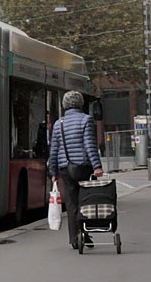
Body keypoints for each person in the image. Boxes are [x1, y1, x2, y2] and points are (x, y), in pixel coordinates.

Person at [48, 91, 104, 250]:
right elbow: (90, 145)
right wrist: (97, 166)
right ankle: (85, 233)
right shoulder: (86, 119)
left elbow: (54, 150)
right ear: (80, 104)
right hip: (83, 167)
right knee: (84, 201)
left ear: (64, 105)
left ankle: (74, 238)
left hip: (65, 168)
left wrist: (53, 172)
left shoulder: (59, 123)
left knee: (71, 204)